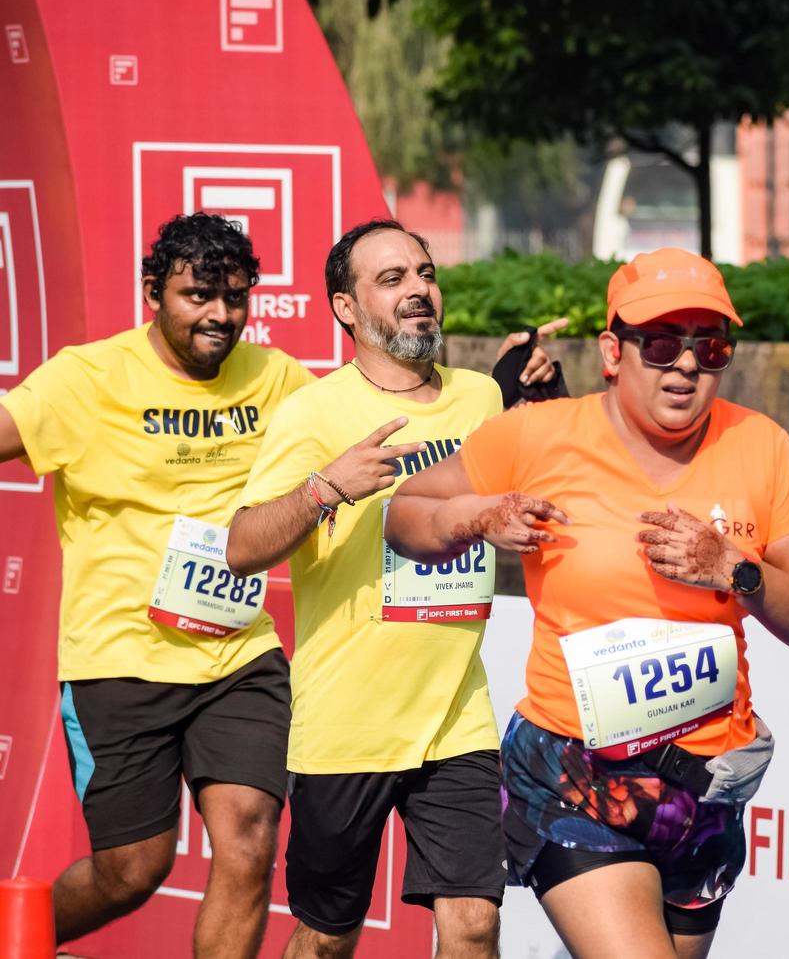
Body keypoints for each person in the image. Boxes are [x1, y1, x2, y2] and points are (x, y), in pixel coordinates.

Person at [384, 247, 789, 959]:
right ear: (613, 351)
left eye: (711, 345)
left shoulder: (760, 447)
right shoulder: (538, 434)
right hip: (573, 773)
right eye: (663, 343)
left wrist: (738, 569)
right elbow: (405, 511)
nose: (687, 365)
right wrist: (477, 518)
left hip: (707, 787)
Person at [0, 213, 318, 958]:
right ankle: (8, 936)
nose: (221, 316)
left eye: (237, 298)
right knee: (133, 868)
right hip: (120, 661)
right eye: (199, 296)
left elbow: (358, 426)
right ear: (154, 292)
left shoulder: (277, 378)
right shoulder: (88, 378)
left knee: (248, 840)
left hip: (237, 657)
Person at [225, 218, 567, 959]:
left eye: (425, 274)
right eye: (392, 280)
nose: (419, 291)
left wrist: (546, 393)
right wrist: (325, 487)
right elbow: (241, 547)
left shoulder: (480, 399)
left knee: (474, 923)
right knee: (325, 937)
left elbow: (550, 472)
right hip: (347, 725)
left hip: (457, 718)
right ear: (346, 308)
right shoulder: (313, 413)